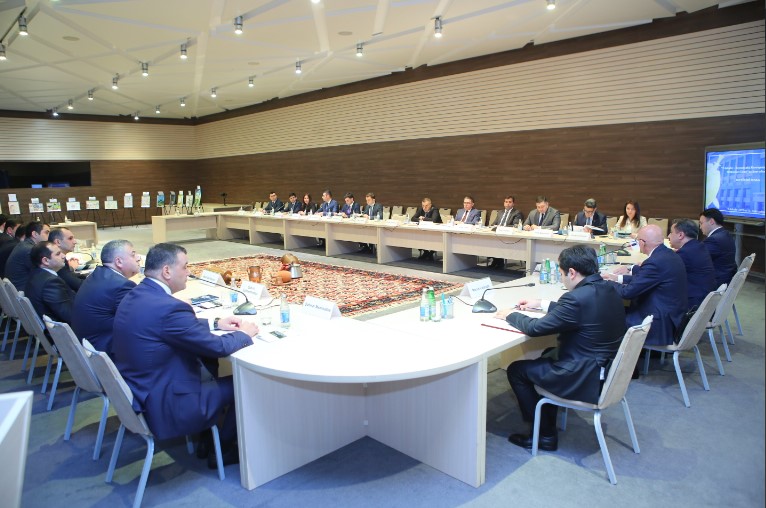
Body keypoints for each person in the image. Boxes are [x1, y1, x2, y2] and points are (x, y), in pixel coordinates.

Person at [112, 243, 258, 468]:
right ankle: (224, 448)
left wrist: (216, 322)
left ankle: (207, 437)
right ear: (167, 271)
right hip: (168, 404)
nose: (189, 272)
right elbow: (217, 347)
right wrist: (244, 334)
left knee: (207, 363)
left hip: (143, 390)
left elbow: (166, 326)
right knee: (246, 383)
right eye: (185, 267)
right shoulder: (169, 307)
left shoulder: (136, 294)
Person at [496, 245, 626, 452]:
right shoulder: (608, 288)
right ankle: (547, 419)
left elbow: (535, 328)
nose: (563, 279)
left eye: (562, 273)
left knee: (517, 370)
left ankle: (544, 435)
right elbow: (582, 311)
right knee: (547, 353)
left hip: (584, 375)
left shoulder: (576, 298)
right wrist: (542, 304)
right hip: (605, 368)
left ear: (572, 272)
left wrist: (510, 315)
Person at [603, 224, 687, 346]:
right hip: (671, 314)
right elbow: (645, 279)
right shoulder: (668, 254)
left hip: (658, 323)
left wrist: (607, 282)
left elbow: (627, 293)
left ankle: (616, 355)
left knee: (605, 316)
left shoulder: (655, 262)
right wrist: (617, 278)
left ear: (642, 243)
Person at [71, 240, 141, 356]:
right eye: (133, 255)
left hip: (87, 347)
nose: (138, 258)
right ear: (119, 261)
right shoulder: (121, 285)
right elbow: (139, 322)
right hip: (105, 353)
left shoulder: (97, 275)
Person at [668, 218, 716, 310]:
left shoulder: (685, 253)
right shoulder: (698, 246)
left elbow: (663, 273)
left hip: (692, 305)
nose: (668, 236)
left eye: (671, 232)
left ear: (680, 235)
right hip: (705, 301)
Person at [25, 241, 76, 323]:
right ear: (45, 260)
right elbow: (70, 316)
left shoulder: (36, 274)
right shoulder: (51, 282)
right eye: (58, 254)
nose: (63, 256)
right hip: (65, 328)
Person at [6, 221, 51, 291]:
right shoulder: (30, 249)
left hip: (19, 288)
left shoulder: (24, 245)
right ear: (35, 234)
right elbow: (44, 273)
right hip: (23, 290)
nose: (49, 236)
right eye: (46, 232)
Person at [699, 208, 737, 287]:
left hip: (716, 282)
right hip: (726, 277)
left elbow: (697, 258)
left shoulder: (714, 240)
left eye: (701, 223)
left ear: (711, 221)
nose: (700, 227)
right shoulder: (725, 234)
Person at [489, 196, 524, 268]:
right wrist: (493, 226)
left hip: (509, 237)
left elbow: (515, 225)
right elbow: (494, 223)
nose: (507, 204)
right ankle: (496, 260)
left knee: (498, 242)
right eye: (506, 202)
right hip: (498, 234)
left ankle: (499, 262)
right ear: (504, 203)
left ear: (513, 204)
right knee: (491, 241)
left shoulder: (517, 213)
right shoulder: (500, 212)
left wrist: (501, 227)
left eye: (510, 202)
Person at [49, 227, 85, 292]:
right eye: (70, 238)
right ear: (58, 242)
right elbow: (77, 285)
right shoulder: (56, 261)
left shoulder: (62, 258)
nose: (75, 242)